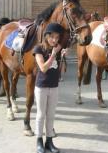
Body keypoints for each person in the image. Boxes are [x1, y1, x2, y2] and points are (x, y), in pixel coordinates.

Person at [33, 23, 67, 153]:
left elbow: (62, 71)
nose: (54, 40)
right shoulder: (38, 49)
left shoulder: (57, 50)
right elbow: (43, 68)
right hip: (41, 86)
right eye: (52, 37)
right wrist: (53, 54)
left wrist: (63, 57)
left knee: (51, 115)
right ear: (46, 36)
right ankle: (39, 141)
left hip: (54, 86)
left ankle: (49, 141)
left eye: (57, 38)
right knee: (41, 114)